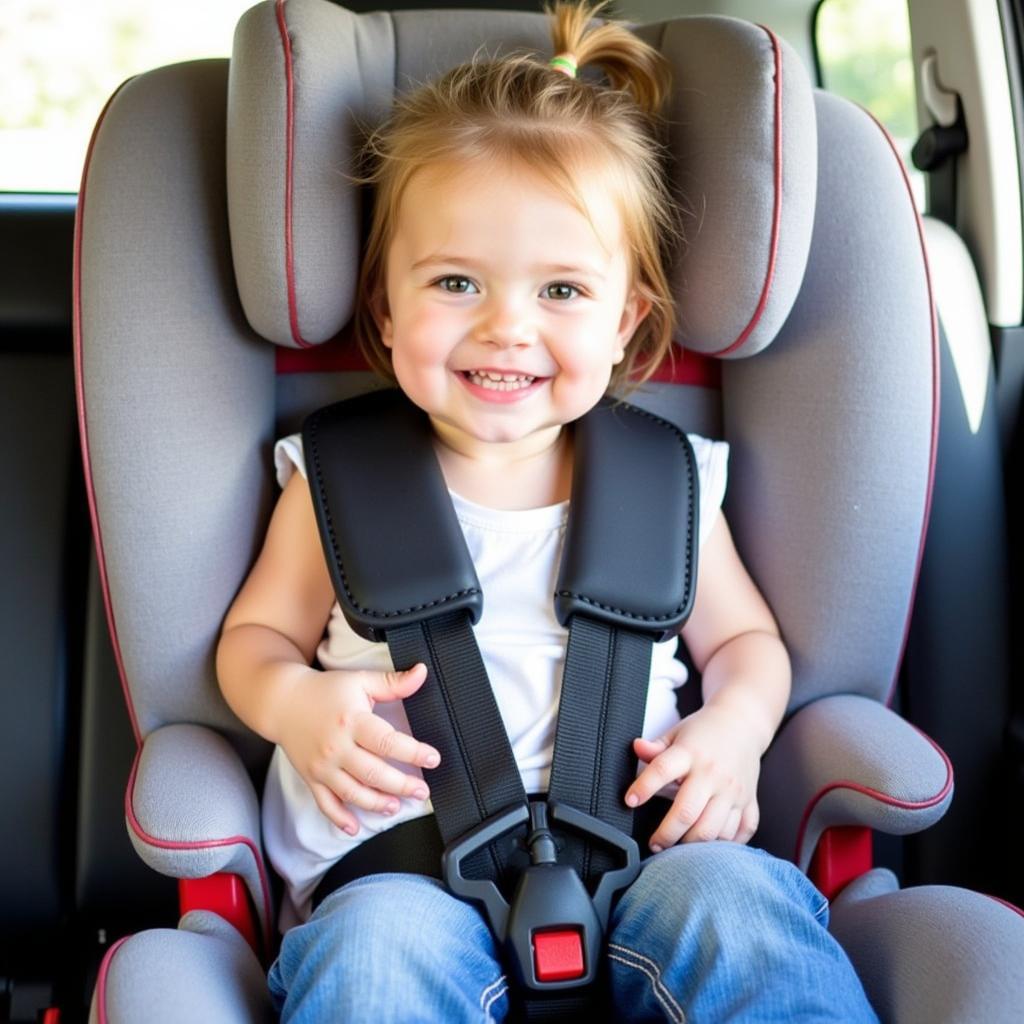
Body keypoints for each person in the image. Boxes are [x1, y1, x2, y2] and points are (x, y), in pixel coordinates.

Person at [215, 2, 879, 1019]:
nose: (506, 326)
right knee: (372, 961)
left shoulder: (671, 484)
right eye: (454, 281)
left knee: (744, 907)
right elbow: (254, 637)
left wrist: (736, 729)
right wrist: (291, 704)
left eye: (561, 290)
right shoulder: (335, 484)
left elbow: (746, 641)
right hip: (397, 872)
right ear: (385, 310)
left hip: (645, 863)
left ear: (626, 323)